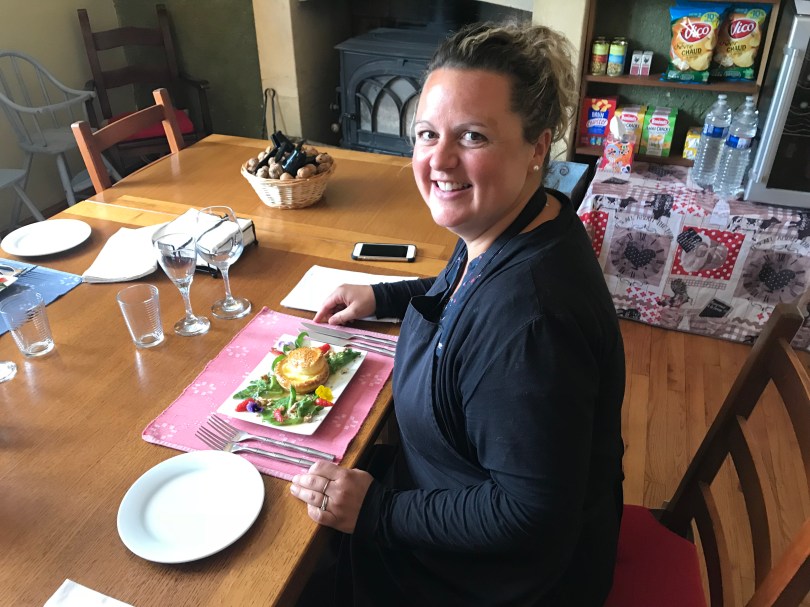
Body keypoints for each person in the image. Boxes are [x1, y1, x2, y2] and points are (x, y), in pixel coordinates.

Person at [290, 20, 625, 606]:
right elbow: (464, 285)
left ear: (538, 147)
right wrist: (383, 296)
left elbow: (529, 515)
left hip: (497, 579)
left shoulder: (532, 324)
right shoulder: (519, 218)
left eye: (472, 136)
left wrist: (378, 511)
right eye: (426, 134)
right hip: (446, 490)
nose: (438, 161)